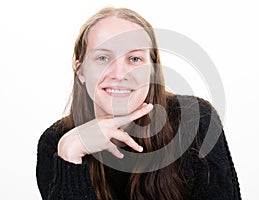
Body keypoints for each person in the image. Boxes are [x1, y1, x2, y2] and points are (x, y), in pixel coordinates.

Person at [36, 7, 241, 200]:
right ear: (80, 72)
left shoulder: (196, 120)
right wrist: (70, 154)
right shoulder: (57, 143)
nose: (119, 74)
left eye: (134, 59)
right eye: (102, 57)